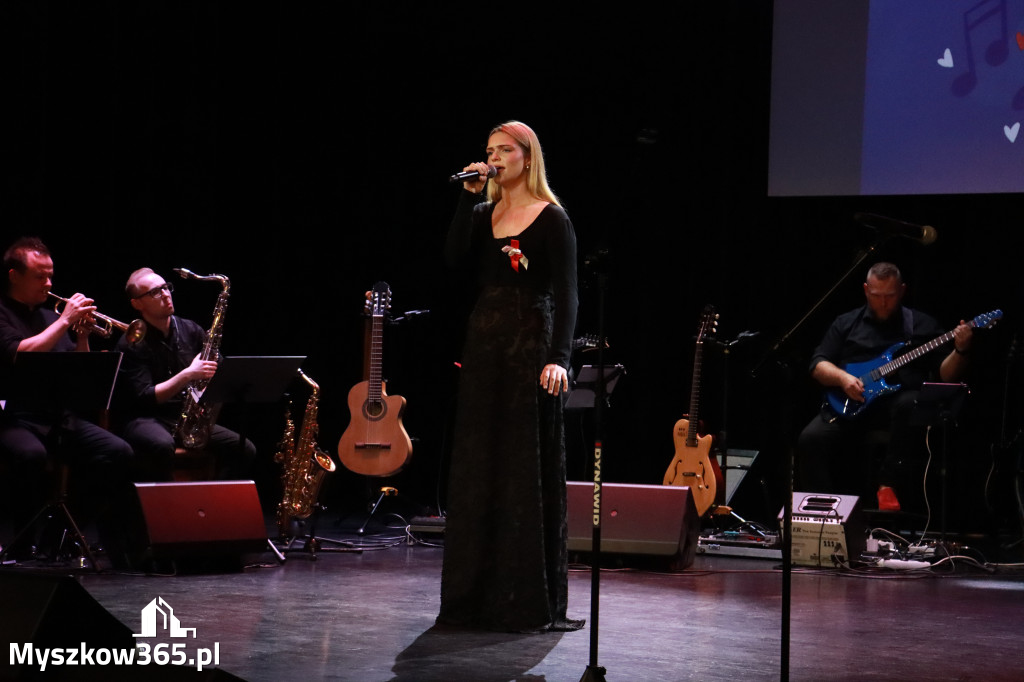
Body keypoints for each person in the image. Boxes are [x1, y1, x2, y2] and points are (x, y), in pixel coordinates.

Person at [438, 121, 583, 632]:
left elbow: (567, 293)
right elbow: (454, 260)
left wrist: (559, 357)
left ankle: (524, 599)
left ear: (527, 158)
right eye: (489, 151)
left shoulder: (552, 219)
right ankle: (471, 597)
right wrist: (466, 198)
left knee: (524, 468)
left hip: (530, 347)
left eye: (504, 151)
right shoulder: (483, 213)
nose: (494, 158)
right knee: (480, 465)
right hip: (485, 345)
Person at [797, 262, 973, 512]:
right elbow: (818, 363)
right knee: (809, 439)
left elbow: (946, 374)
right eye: (876, 296)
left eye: (889, 296)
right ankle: (824, 514)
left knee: (909, 401)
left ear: (902, 291)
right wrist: (843, 378)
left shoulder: (921, 325)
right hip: (850, 403)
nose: (882, 303)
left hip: (895, 410)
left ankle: (887, 484)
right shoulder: (846, 323)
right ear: (866, 290)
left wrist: (961, 349)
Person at [0, 237, 133, 561]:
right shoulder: (4, 314)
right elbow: (21, 354)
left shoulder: (49, 317)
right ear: (14, 275)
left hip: (57, 415)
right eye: (39, 276)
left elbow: (78, 371)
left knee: (118, 452)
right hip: (15, 416)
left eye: (50, 275)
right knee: (30, 456)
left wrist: (83, 335)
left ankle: (61, 533)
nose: (49, 284)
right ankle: (22, 541)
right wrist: (64, 321)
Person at [114, 267, 255, 481]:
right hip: (145, 418)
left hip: (184, 417)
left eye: (166, 287)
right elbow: (146, 397)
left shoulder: (191, 329)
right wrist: (188, 374)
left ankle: (214, 501)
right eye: (155, 292)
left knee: (245, 448)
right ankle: (166, 508)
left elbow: (220, 371)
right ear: (137, 304)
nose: (165, 294)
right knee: (161, 445)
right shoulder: (131, 342)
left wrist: (210, 387)